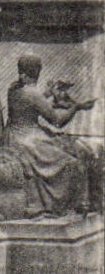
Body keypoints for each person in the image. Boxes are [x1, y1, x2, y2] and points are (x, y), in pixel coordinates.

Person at [5, 55, 95, 217]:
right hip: (29, 139)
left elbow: (30, 103)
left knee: (67, 146)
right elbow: (58, 121)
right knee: (70, 161)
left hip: (14, 136)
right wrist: (76, 107)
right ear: (38, 72)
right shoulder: (32, 93)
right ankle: (72, 204)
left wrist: (49, 94)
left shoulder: (13, 88)